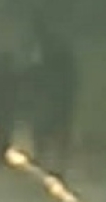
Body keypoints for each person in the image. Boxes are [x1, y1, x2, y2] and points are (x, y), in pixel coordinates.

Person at [28, 14, 78, 179]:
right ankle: (60, 164)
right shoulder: (61, 46)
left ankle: (42, 157)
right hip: (64, 91)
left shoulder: (43, 46)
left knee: (42, 125)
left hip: (50, 91)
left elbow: (37, 69)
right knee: (61, 127)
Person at [0, 49, 33, 168]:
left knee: (3, 128)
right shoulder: (8, 71)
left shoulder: (10, 72)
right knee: (1, 127)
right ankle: (0, 152)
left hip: (7, 101)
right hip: (3, 100)